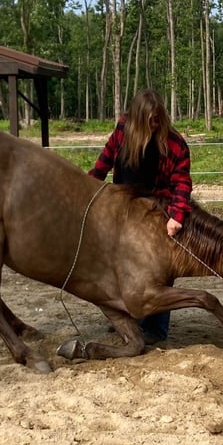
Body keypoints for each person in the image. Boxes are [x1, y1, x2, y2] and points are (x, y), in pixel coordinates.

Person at [88, 89, 193, 345]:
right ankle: (127, 318)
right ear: (137, 118)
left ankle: (157, 328)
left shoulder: (175, 144)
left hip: (157, 211)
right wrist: (87, 191)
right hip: (121, 208)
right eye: (149, 120)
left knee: (159, 270)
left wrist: (176, 216)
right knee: (120, 266)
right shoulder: (123, 130)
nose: (154, 124)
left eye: (158, 119)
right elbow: (102, 164)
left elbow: (182, 183)